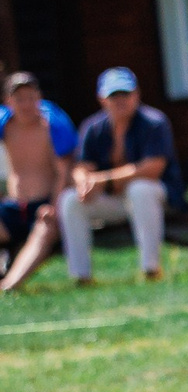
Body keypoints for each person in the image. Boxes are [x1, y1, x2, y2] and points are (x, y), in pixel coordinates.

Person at [61, 67, 174, 285]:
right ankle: (81, 276)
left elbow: (152, 168)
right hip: (113, 202)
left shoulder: (154, 123)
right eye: (114, 95)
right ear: (102, 99)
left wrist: (102, 180)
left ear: (136, 94)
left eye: (125, 94)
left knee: (140, 189)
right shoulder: (92, 128)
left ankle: (151, 269)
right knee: (69, 200)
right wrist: (83, 181)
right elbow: (82, 166)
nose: (120, 100)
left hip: (155, 199)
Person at [0, 72, 75, 294]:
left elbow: (64, 172)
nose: (26, 104)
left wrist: (53, 205)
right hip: (13, 206)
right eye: (19, 99)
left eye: (30, 97)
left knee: (43, 230)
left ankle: (8, 286)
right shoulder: (5, 126)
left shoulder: (52, 126)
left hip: (44, 206)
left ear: (39, 97)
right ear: (8, 101)